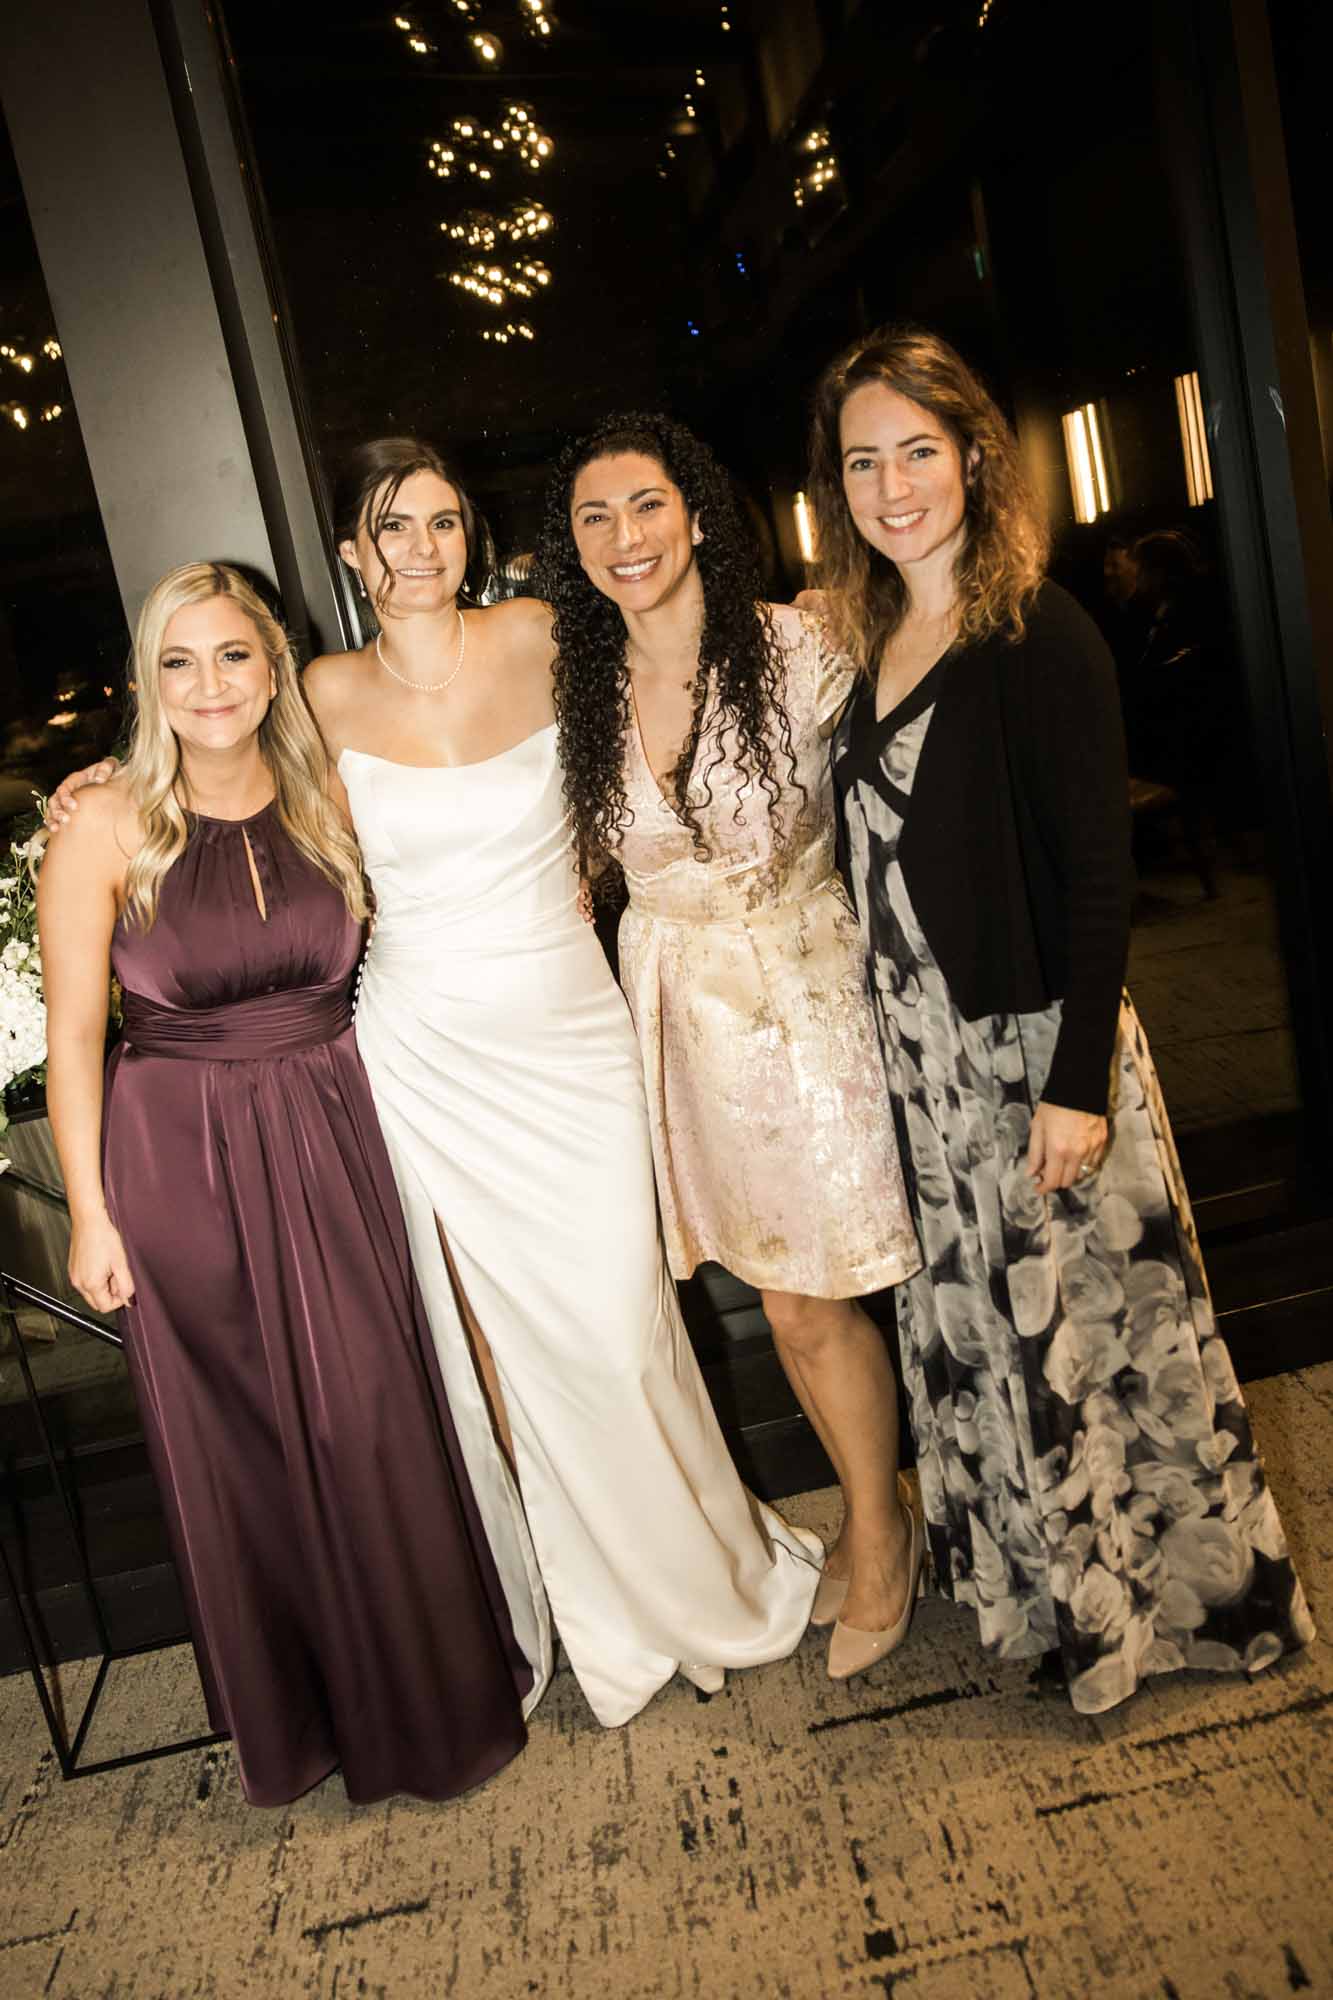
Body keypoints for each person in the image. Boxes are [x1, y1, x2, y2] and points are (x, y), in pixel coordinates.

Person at [807, 324, 1314, 1714]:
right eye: (863, 461)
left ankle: (1160, 1619)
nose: (893, 485)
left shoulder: (1039, 631)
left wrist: (1077, 1081)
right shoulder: (869, 636)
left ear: (974, 458)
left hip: (1030, 1053)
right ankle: (1046, 1596)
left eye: (919, 450)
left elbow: (1100, 875)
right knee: (990, 1340)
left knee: (1097, 1351)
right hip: (925, 1065)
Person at [37, 561, 531, 1807]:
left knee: (371, 1412)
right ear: (148, 681)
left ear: (274, 666)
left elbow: (462, 869)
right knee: (246, 1445)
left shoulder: (330, 793)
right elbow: (75, 1036)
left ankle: (423, 1699)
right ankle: (307, 1717)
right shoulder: (104, 823)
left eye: (233, 655)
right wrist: (91, 1212)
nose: (209, 685)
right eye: (178, 661)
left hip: (336, 1126)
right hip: (181, 1163)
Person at [533, 413, 922, 1683]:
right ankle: (876, 1507)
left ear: (696, 514)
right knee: (771, 1292)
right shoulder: (578, 694)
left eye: (646, 504)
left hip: (805, 997)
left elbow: (937, 715)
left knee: (811, 1296)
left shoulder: (803, 643)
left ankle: (881, 1535)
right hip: (674, 1015)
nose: (624, 536)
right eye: (595, 517)